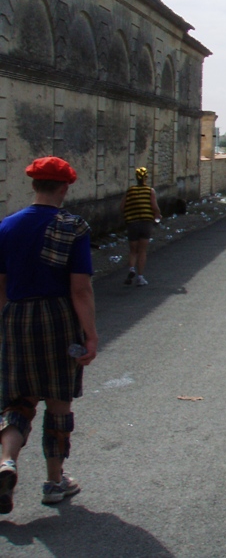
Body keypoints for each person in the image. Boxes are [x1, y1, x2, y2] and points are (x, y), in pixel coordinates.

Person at [0, 156, 98, 513]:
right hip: (57, 317)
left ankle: (7, 462)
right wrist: (90, 335)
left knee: (17, 401)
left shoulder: (6, 226)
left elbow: (1, 286)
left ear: (33, 185)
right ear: (64, 187)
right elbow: (81, 290)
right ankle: (55, 481)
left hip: (15, 317)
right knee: (58, 401)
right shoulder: (72, 227)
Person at [120, 166, 162, 287]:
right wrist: (158, 215)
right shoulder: (150, 191)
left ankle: (131, 269)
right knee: (142, 250)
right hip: (146, 223)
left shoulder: (130, 190)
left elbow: (122, 207)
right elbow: (154, 207)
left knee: (133, 250)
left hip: (132, 223)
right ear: (146, 178)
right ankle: (140, 277)